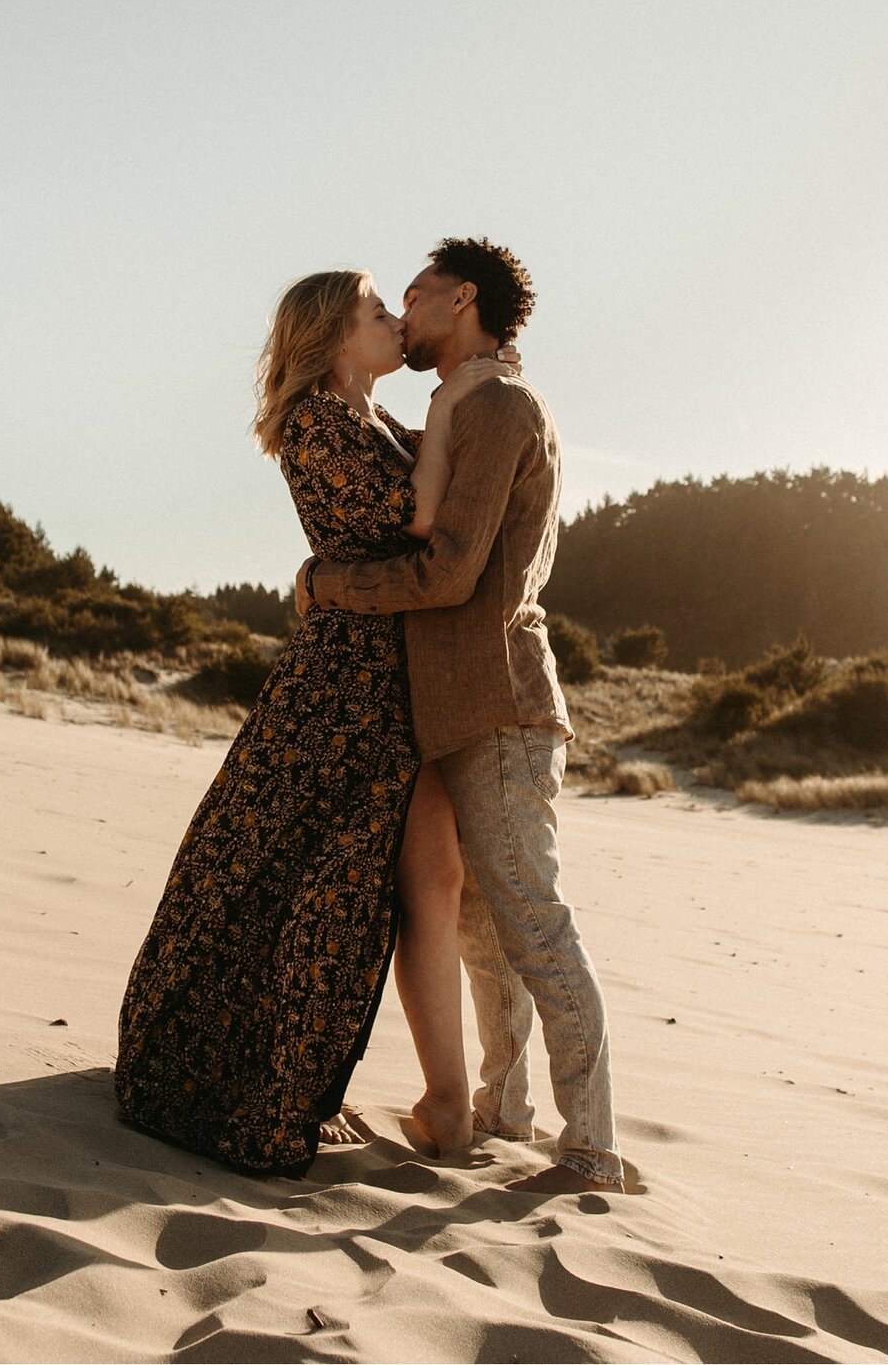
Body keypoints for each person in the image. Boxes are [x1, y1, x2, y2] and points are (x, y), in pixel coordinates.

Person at [114, 269, 509, 1177]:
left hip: (393, 686)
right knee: (292, 882)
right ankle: (274, 1083)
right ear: (335, 335)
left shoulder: (371, 422)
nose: (394, 323)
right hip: (340, 695)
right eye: (378, 312)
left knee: (418, 881)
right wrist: (456, 402)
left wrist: (467, 392)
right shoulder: (315, 425)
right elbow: (419, 520)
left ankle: (439, 1101)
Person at [297, 238, 624, 1194]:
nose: (403, 312)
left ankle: (593, 1148)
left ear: (462, 299)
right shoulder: (462, 404)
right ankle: (505, 1111)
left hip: (501, 703)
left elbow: (449, 571)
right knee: (487, 927)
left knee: (533, 923)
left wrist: (328, 584)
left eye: (416, 294)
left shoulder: (494, 405)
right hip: (466, 707)